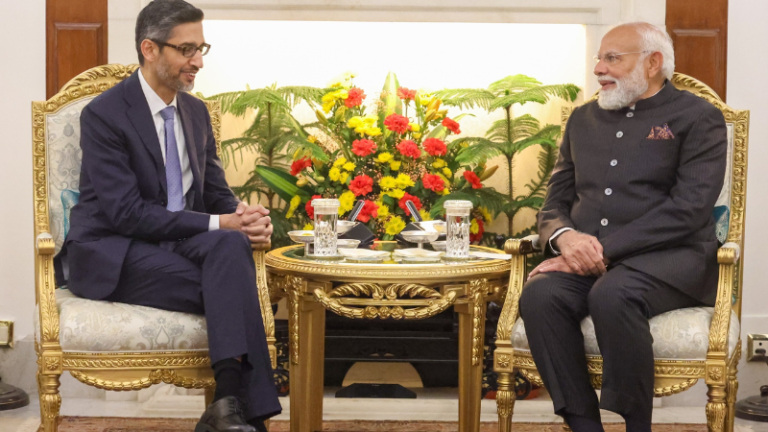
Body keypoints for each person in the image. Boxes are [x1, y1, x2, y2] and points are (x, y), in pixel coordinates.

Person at [53, 1, 280, 431]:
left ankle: (227, 405)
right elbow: (126, 214)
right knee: (235, 285)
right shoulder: (104, 114)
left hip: (175, 248)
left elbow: (214, 194)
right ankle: (240, 412)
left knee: (232, 244)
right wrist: (220, 223)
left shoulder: (195, 112)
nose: (197, 61)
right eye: (186, 49)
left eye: (202, 48)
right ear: (150, 49)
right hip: (114, 251)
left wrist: (243, 216)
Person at [519, 22, 727, 432]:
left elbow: (689, 207)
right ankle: (584, 425)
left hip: (672, 262)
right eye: (599, 58)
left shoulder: (699, 117)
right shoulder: (582, 119)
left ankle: (636, 425)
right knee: (541, 295)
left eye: (613, 58)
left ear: (653, 63)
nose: (599, 68)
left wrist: (601, 250)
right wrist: (566, 238)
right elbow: (555, 202)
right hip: (589, 261)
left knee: (614, 293)